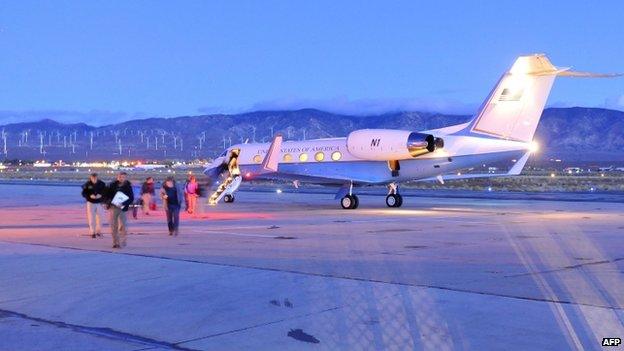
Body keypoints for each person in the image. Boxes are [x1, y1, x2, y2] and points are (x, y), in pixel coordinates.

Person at [106, 172, 134, 249]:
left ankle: (122, 241)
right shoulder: (112, 185)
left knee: (123, 225)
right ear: (117, 177)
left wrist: (123, 203)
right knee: (114, 225)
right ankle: (115, 242)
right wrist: (110, 202)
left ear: (125, 178)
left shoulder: (128, 186)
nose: (121, 178)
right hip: (113, 207)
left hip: (123, 208)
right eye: (120, 177)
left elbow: (131, 198)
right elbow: (107, 195)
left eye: (123, 177)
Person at [81, 173, 107, 238]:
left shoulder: (102, 184)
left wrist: (101, 195)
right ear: (90, 178)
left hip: (99, 203)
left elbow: (105, 192)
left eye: (95, 178)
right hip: (90, 203)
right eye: (92, 178)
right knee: (91, 218)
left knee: (100, 218)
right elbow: (84, 193)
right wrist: (89, 196)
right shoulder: (87, 184)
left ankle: (99, 231)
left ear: (97, 177)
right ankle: (92, 232)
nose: (94, 179)